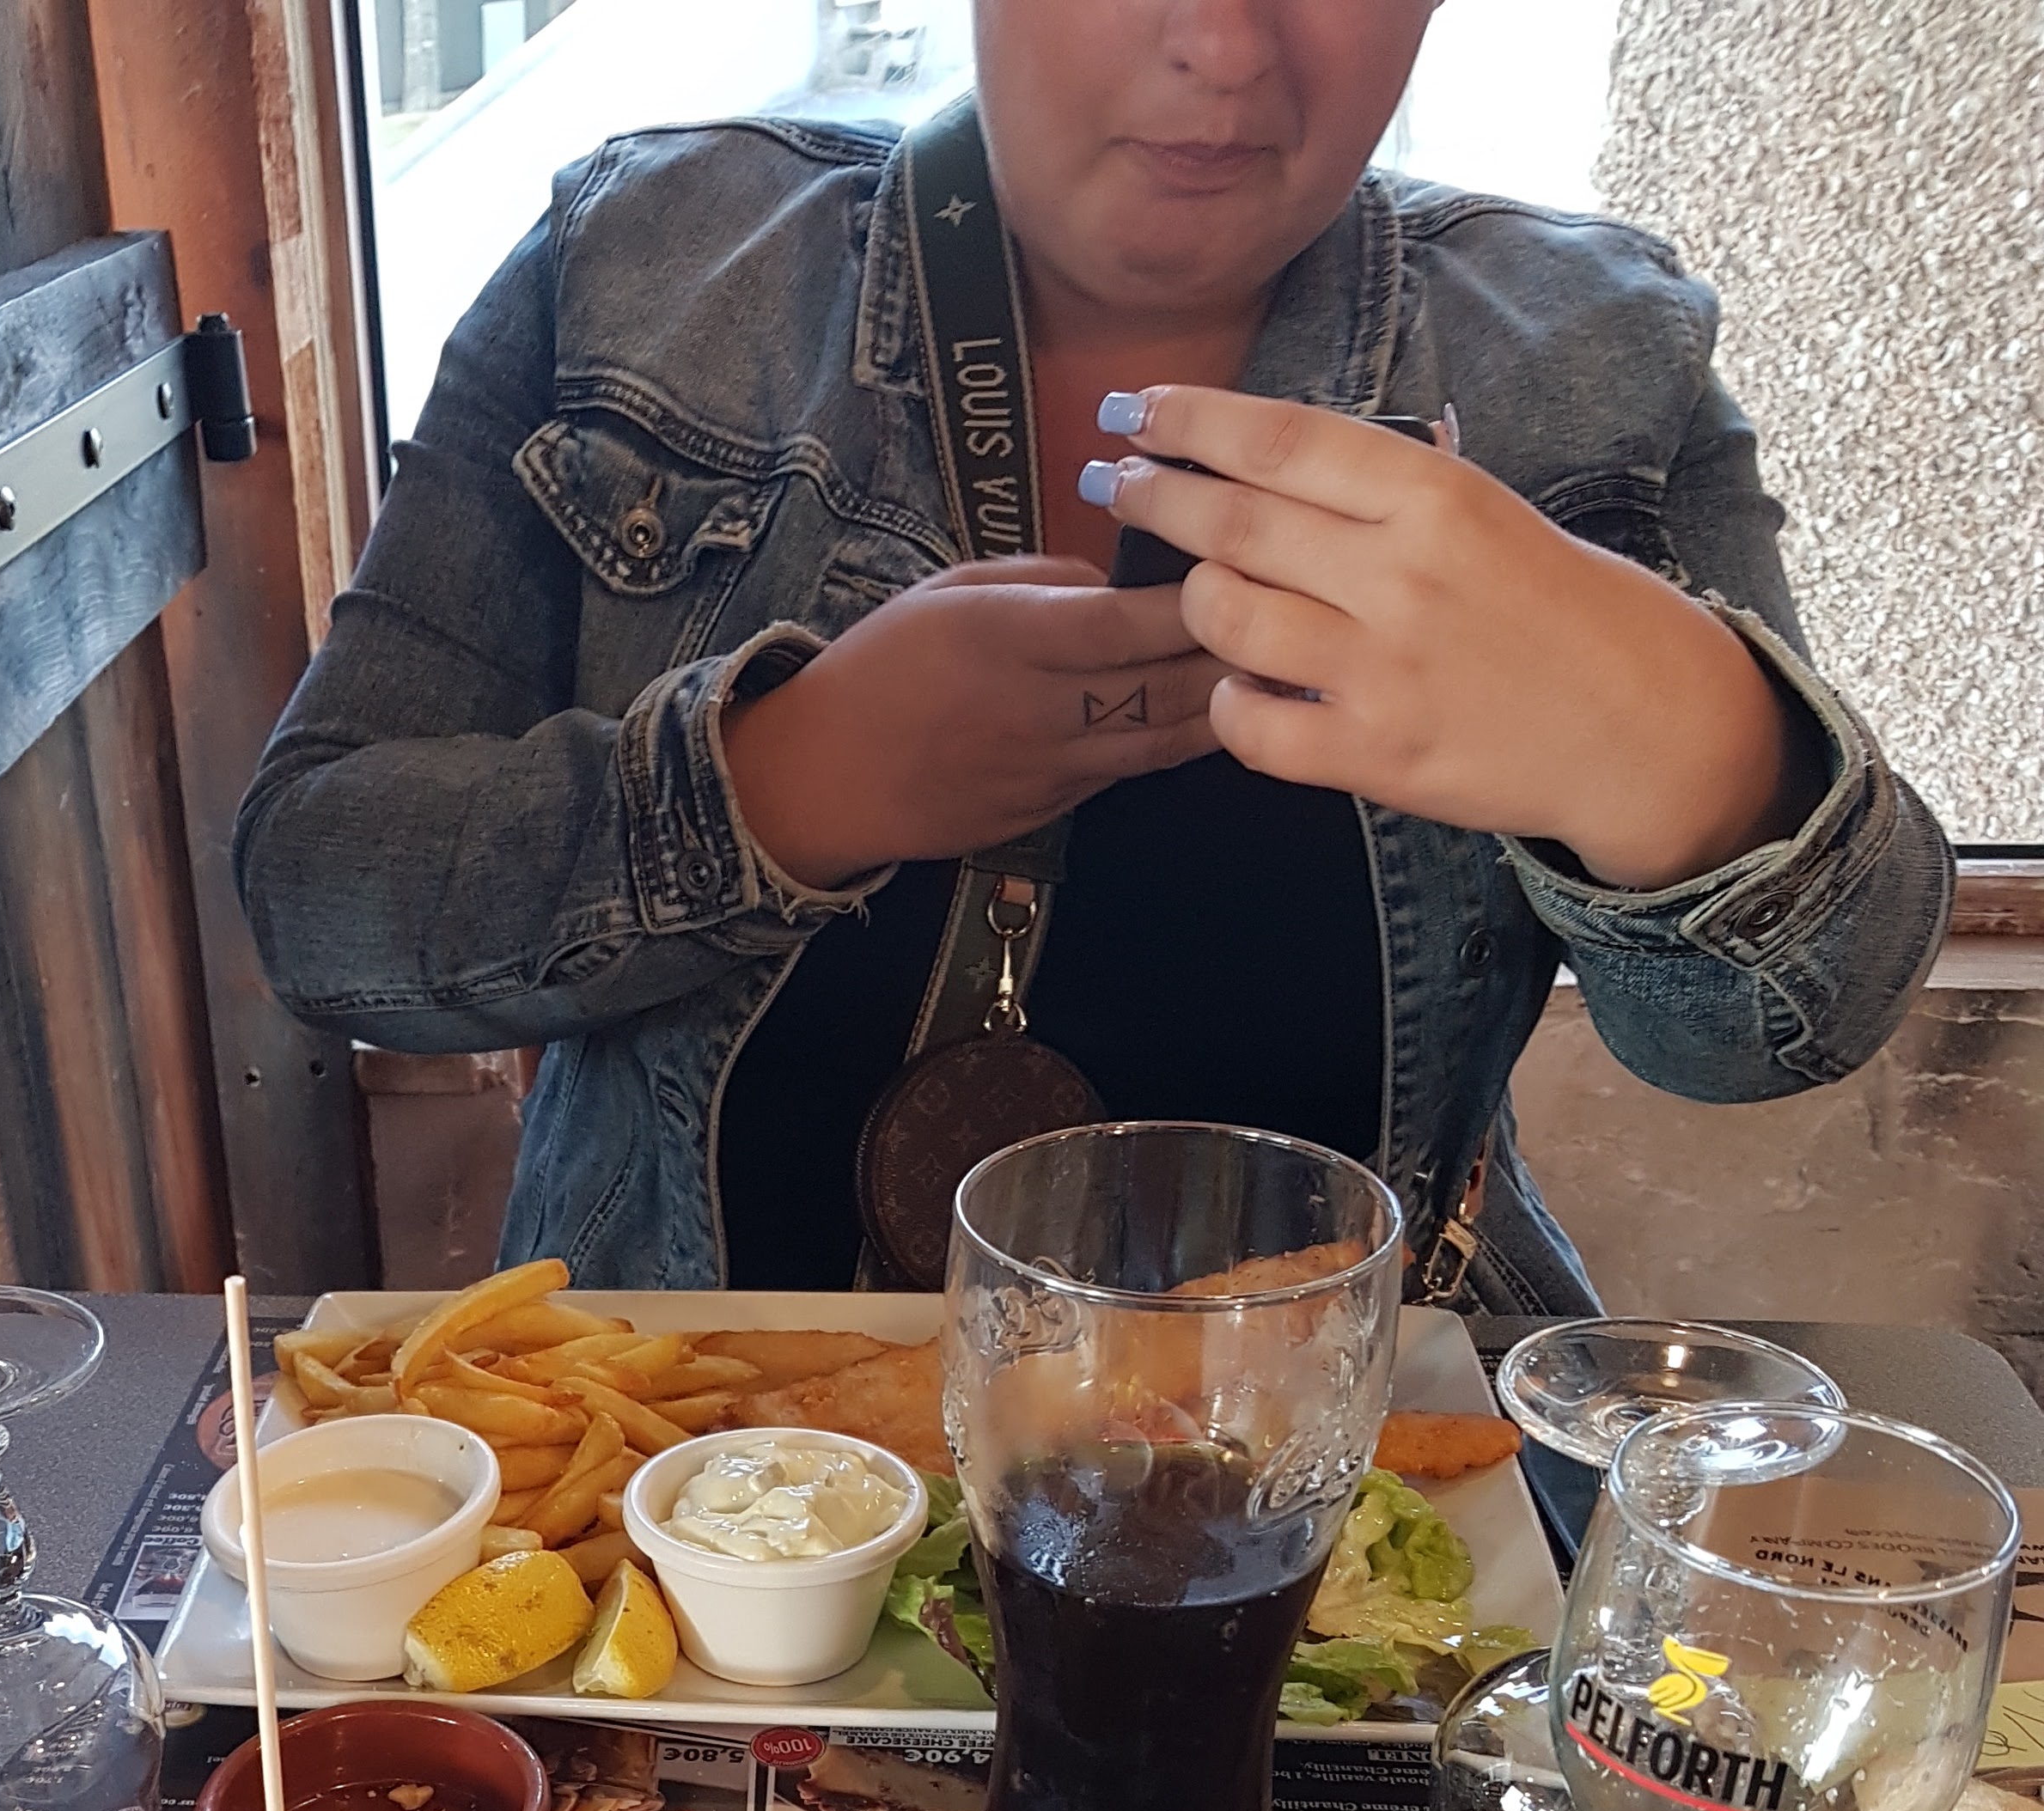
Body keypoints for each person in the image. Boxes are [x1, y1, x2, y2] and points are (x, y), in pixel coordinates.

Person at [235, 0, 1951, 1302]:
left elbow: (1780, 1035)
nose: (1222, 46)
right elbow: (317, 895)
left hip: (1356, 1508)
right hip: (692, 1494)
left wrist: (1688, 757)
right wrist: (779, 784)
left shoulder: (1596, 366)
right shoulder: (640, 266)